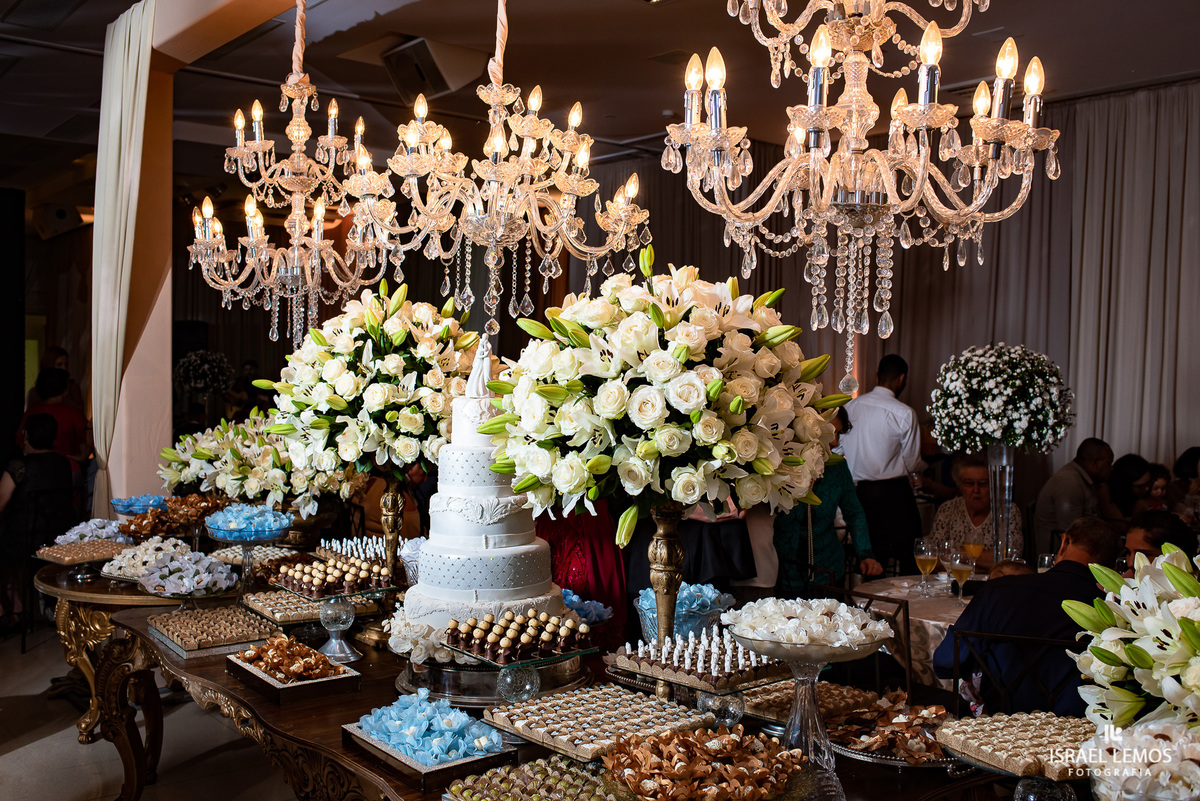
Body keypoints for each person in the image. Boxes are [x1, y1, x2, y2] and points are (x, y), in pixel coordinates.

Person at [933, 516, 1121, 717]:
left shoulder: (999, 591)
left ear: (1064, 542)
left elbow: (946, 664)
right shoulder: (1114, 614)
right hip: (1075, 731)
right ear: (1113, 567)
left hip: (995, 726)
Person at [774, 407, 882, 596]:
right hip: (782, 572)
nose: (834, 441)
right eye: (828, 432)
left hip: (829, 571)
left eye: (838, 434)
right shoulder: (780, 463)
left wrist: (865, 553)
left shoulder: (837, 466)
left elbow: (854, 512)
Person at [840, 354, 923, 575]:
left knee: (872, 561)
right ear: (902, 379)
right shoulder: (904, 413)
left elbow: (837, 449)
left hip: (861, 494)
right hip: (896, 494)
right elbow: (913, 462)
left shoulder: (850, 408)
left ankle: (870, 607)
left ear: (877, 375)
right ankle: (910, 607)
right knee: (909, 559)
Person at [0, 414, 76, 628]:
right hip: (55, 540)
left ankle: (13, 610)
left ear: (26, 437)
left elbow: (1, 503)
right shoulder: (63, 464)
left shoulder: (18, 466)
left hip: (23, 543)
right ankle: (20, 609)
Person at [928, 453, 1023, 570]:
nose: (976, 490)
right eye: (969, 483)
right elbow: (934, 558)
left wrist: (960, 554)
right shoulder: (947, 509)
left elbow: (1010, 559)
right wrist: (985, 561)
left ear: (992, 485)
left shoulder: (1008, 511)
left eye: (983, 483)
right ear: (959, 484)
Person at [1032, 437, 1113, 555]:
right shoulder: (1069, 483)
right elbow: (1072, 532)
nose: (1111, 469)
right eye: (1109, 464)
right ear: (1096, 463)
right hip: (1059, 554)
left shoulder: (1081, 478)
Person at [18, 368, 92, 476]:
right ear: (65, 389)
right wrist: (82, 456)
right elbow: (87, 438)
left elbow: (20, 441)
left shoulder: (31, 412)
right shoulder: (72, 412)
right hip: (68, 469)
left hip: (35, 470)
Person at [1121, 510, 1198, 576]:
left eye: (1144, 554)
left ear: (1175, 556)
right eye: (1128, 552)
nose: (1130, 563)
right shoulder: (1128, 580)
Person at [1105, 454, 1151, 526]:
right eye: (1140, 486)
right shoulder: (1105, 492)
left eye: (1148, 483)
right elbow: (1121, 525)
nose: (1147, 488)